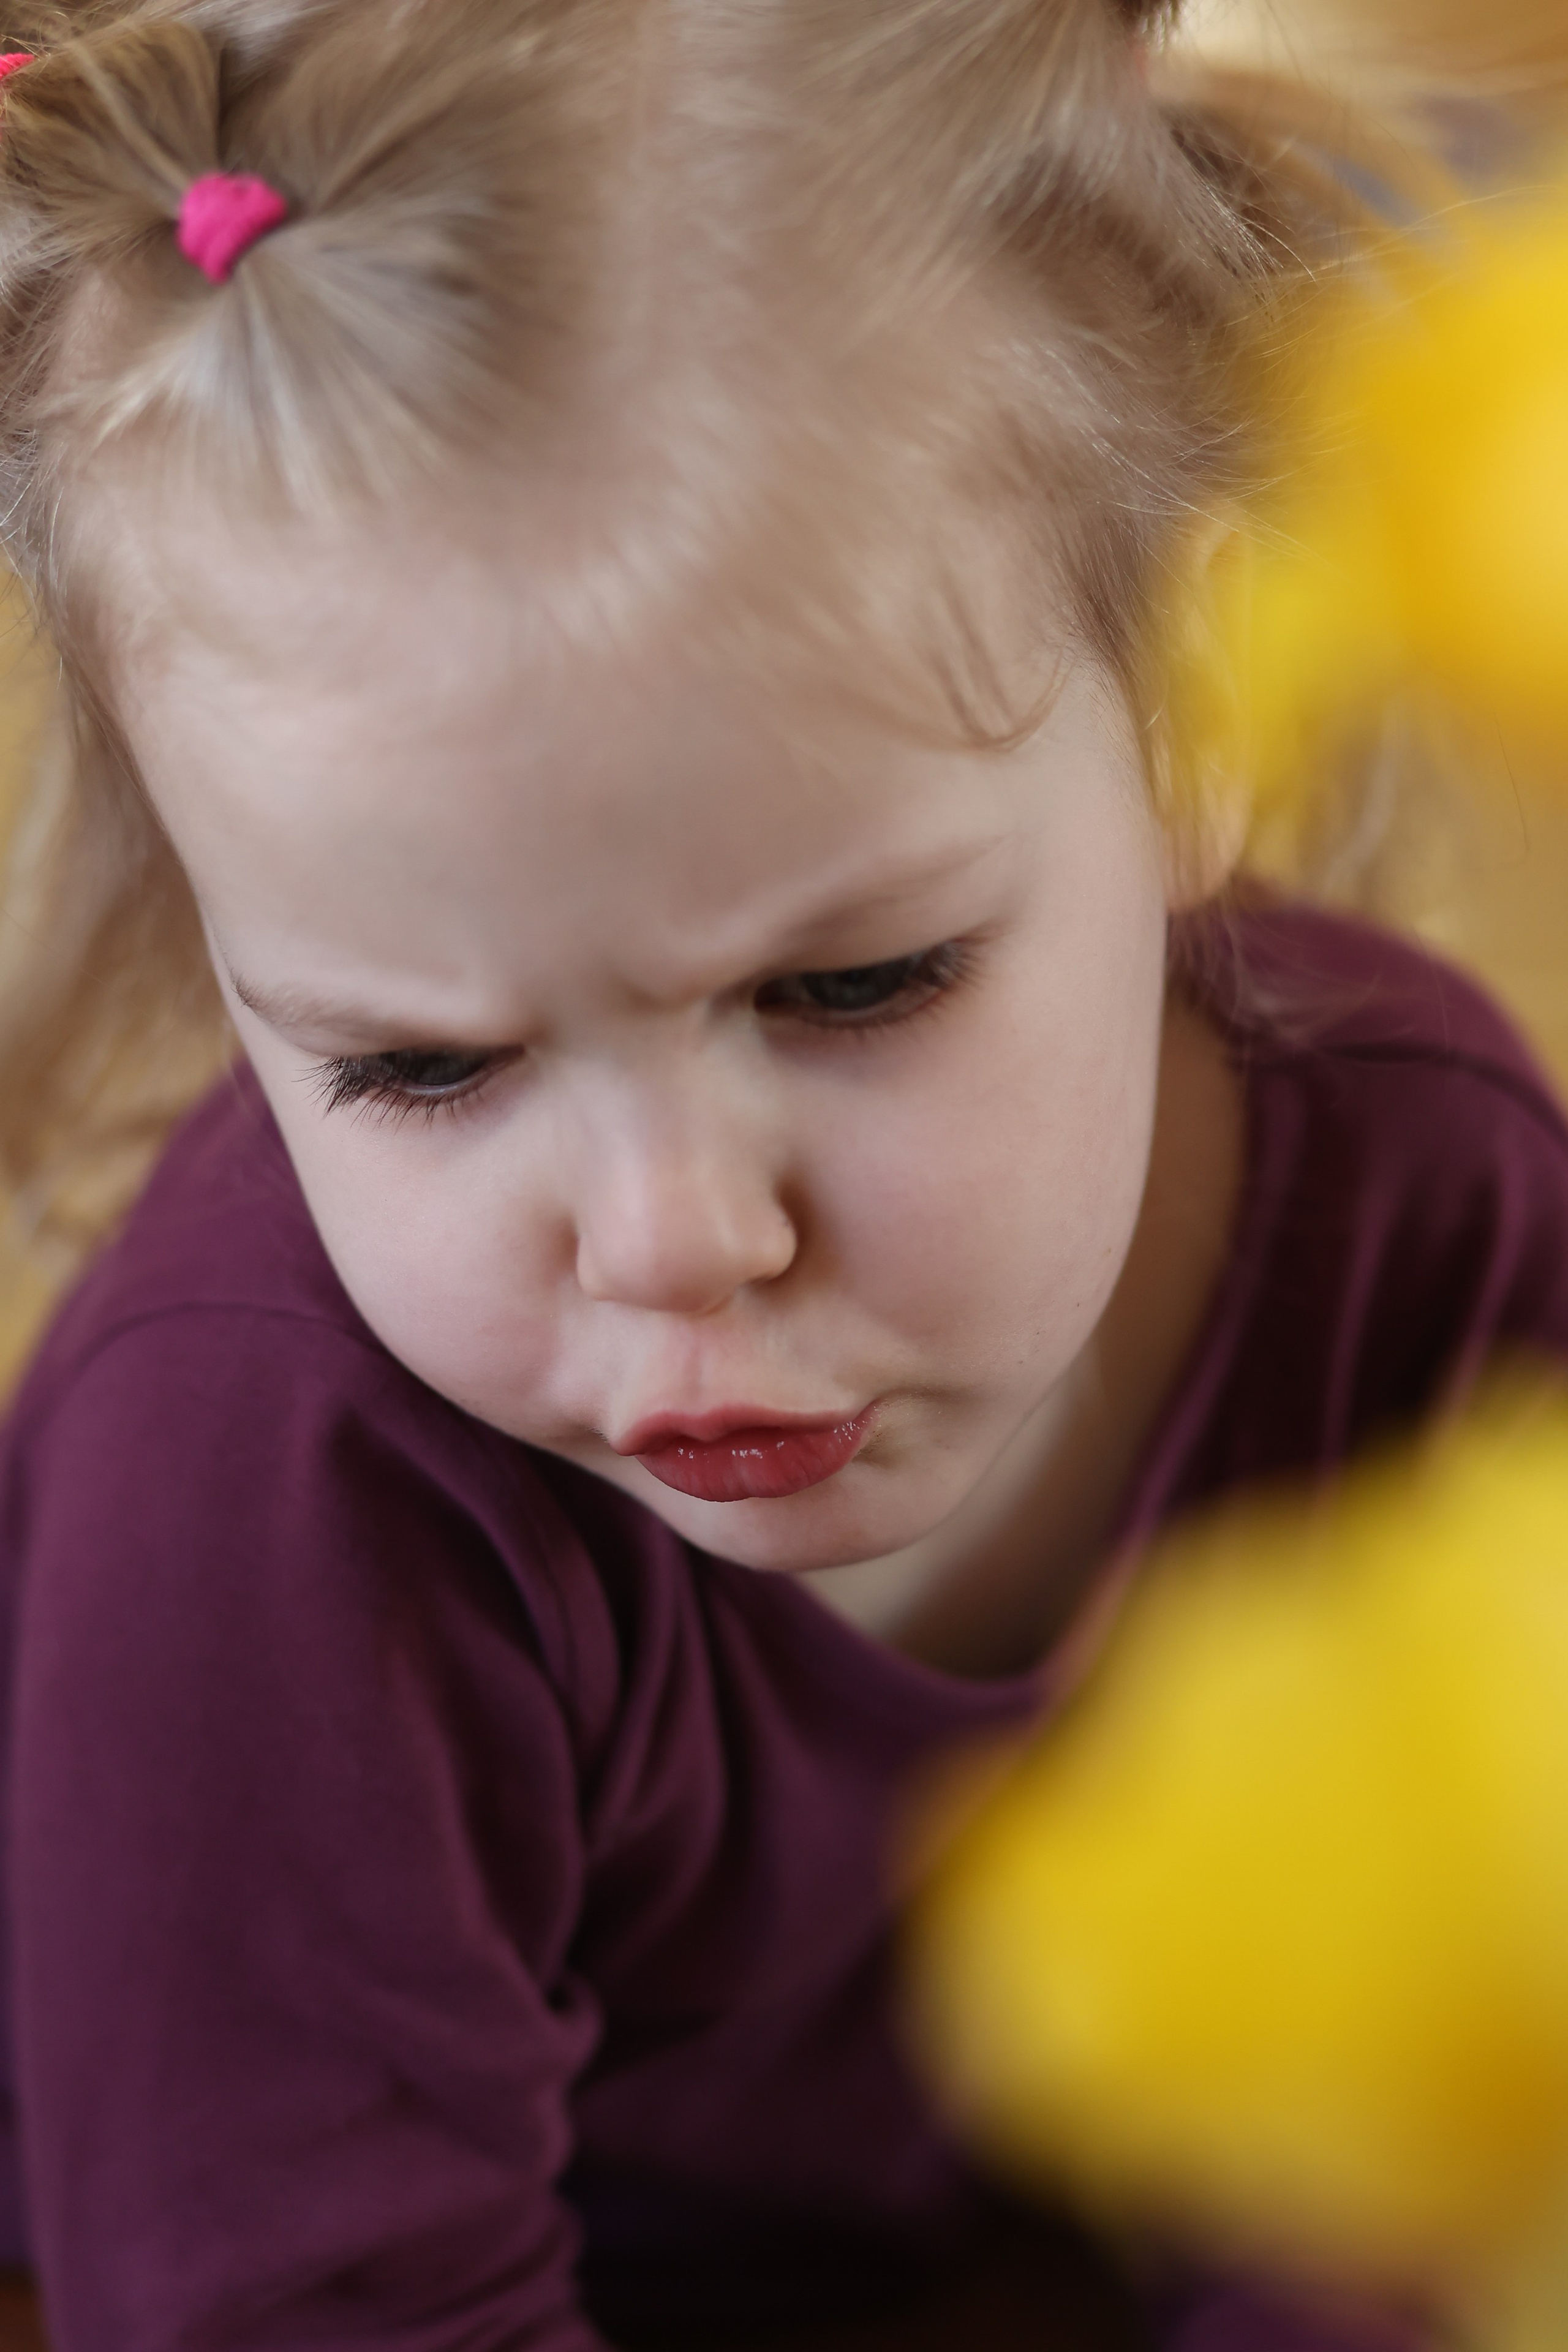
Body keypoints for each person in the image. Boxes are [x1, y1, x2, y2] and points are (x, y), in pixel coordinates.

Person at [0, 2, 1562, 2348]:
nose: (673, 1241)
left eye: (851, 988)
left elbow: (1429, 2107)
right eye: (423, 1065)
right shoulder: (260, 1462)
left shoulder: (1434, 1203)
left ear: (1193, 713)